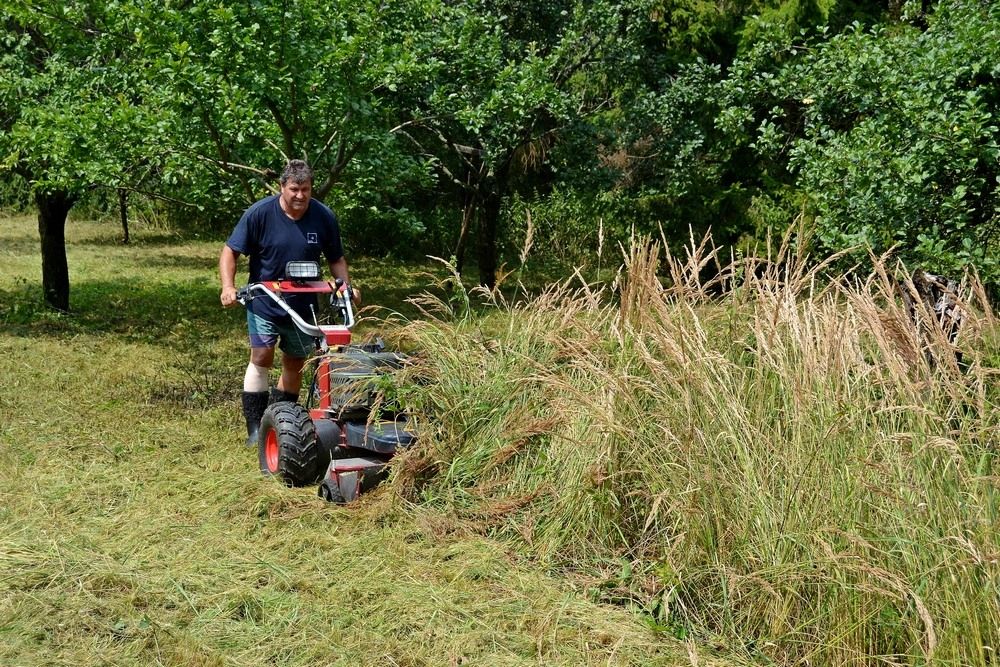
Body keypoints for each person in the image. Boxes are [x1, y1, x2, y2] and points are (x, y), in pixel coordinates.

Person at [219, 159, 351, 447]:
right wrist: (228, 287)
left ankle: (280, 423)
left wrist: (345, 287)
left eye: (305, 189)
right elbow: (230, 251)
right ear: (282, 187)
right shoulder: (260, 213)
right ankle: (256, 429)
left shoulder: (323, 216)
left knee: (295, 362)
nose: (300, 196)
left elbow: (336, 259)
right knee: (261, 356)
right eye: (294, 189)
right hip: (264, 300)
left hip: (303, 305)